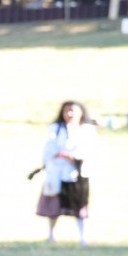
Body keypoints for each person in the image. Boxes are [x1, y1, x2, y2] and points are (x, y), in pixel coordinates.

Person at [36, 100, 96, 244]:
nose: (69, 114)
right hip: (57, 172)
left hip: (77, 175)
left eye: (73, 111)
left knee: (79, 206)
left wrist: (74, 158)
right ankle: (51, 235)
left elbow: (90, 150)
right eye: (66, 110)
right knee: (54, 207)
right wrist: (61, 155)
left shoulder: (87, 130)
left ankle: (83, 237)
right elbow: (49, 149)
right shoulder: (55, 129)